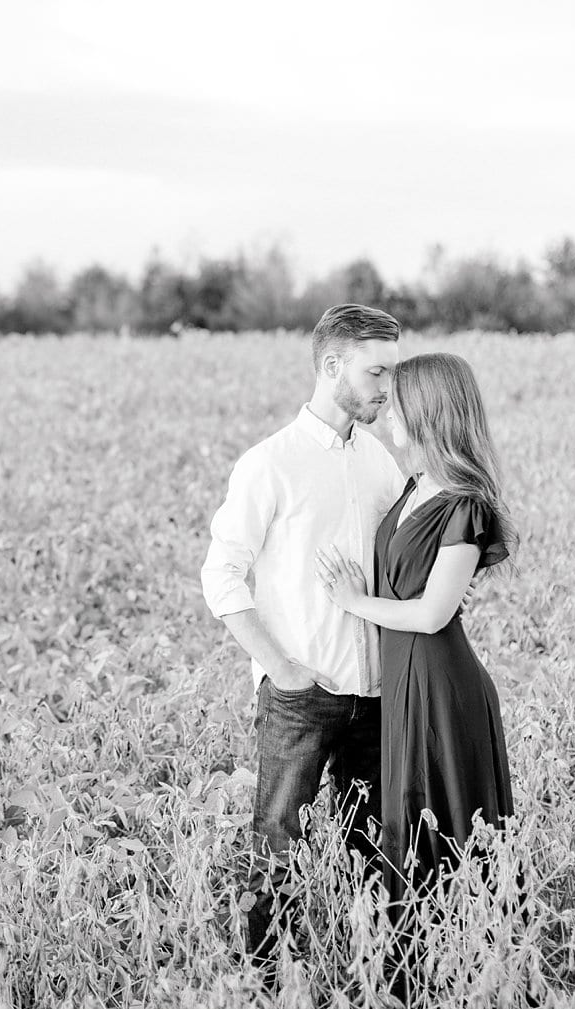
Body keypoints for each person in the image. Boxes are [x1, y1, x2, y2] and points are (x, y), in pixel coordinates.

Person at [200, 304, 406, 974]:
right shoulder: (270, 464)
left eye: (390, 372)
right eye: (375, 371)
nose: (386, 386)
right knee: (277, 842)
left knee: (373, 846)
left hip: (373, 695)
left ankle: (376, 975)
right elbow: (221, 576)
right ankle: (267, 981)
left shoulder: (379, 461)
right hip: (299, 693)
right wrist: (281, 667)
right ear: (331, 365)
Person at [315, 352, 516, 997]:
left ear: (429, 412)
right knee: (410, 819)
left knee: (445, 822)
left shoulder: (463, 503)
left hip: (440, 684)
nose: (389, 413)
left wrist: (351, 603)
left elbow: (432, 614)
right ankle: (418, 977)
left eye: (399, 403)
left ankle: (464, 975)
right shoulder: (412, 486)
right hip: (403, 682)